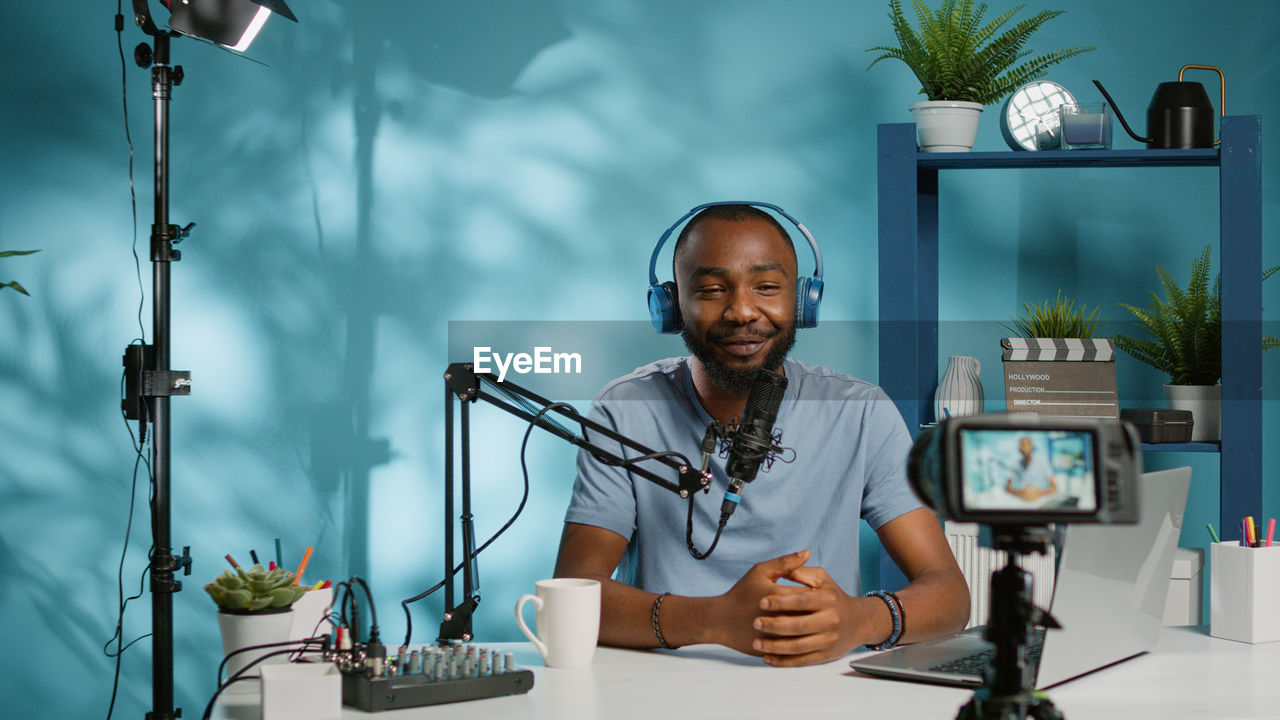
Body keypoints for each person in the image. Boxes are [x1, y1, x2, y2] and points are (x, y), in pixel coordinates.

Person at [553, 204, 969, 667]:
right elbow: (574, 592)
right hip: (664, 691)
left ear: (803, 300)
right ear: (670, 307)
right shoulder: (625, 410)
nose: (742, 311)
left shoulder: (860, 412)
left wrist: (860, 620)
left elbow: (949, 593)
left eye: (767, 288)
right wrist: (714, 621)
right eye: (711, 290)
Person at [1004, 436, 1057, 502]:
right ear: (1019, 448)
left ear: (1032, 447)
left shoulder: (1043, 463)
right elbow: (1007, 488)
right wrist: (1020, 494)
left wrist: (1039, 494)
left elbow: (1054, 487)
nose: (1026, 447)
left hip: (1039, 500)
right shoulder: (1013, 464)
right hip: (1019, 500)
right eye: (1023, 444)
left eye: (1028, 444)